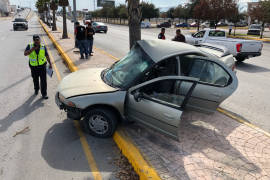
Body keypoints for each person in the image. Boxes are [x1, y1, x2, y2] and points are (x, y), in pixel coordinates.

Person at [24, 35, 52, 99]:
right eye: (35, 40)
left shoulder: (43, 46)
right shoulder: (30, 46)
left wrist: (50, 64)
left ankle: (44, 94)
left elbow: (46, 55)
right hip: (33, 67)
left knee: (43, 80)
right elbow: (25, 54)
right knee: (35, 79)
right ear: (33, 41)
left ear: (40, 40)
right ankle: (36, 89)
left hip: (42, 66)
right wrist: (32, 49)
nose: (37, 41)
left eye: (38, 40)